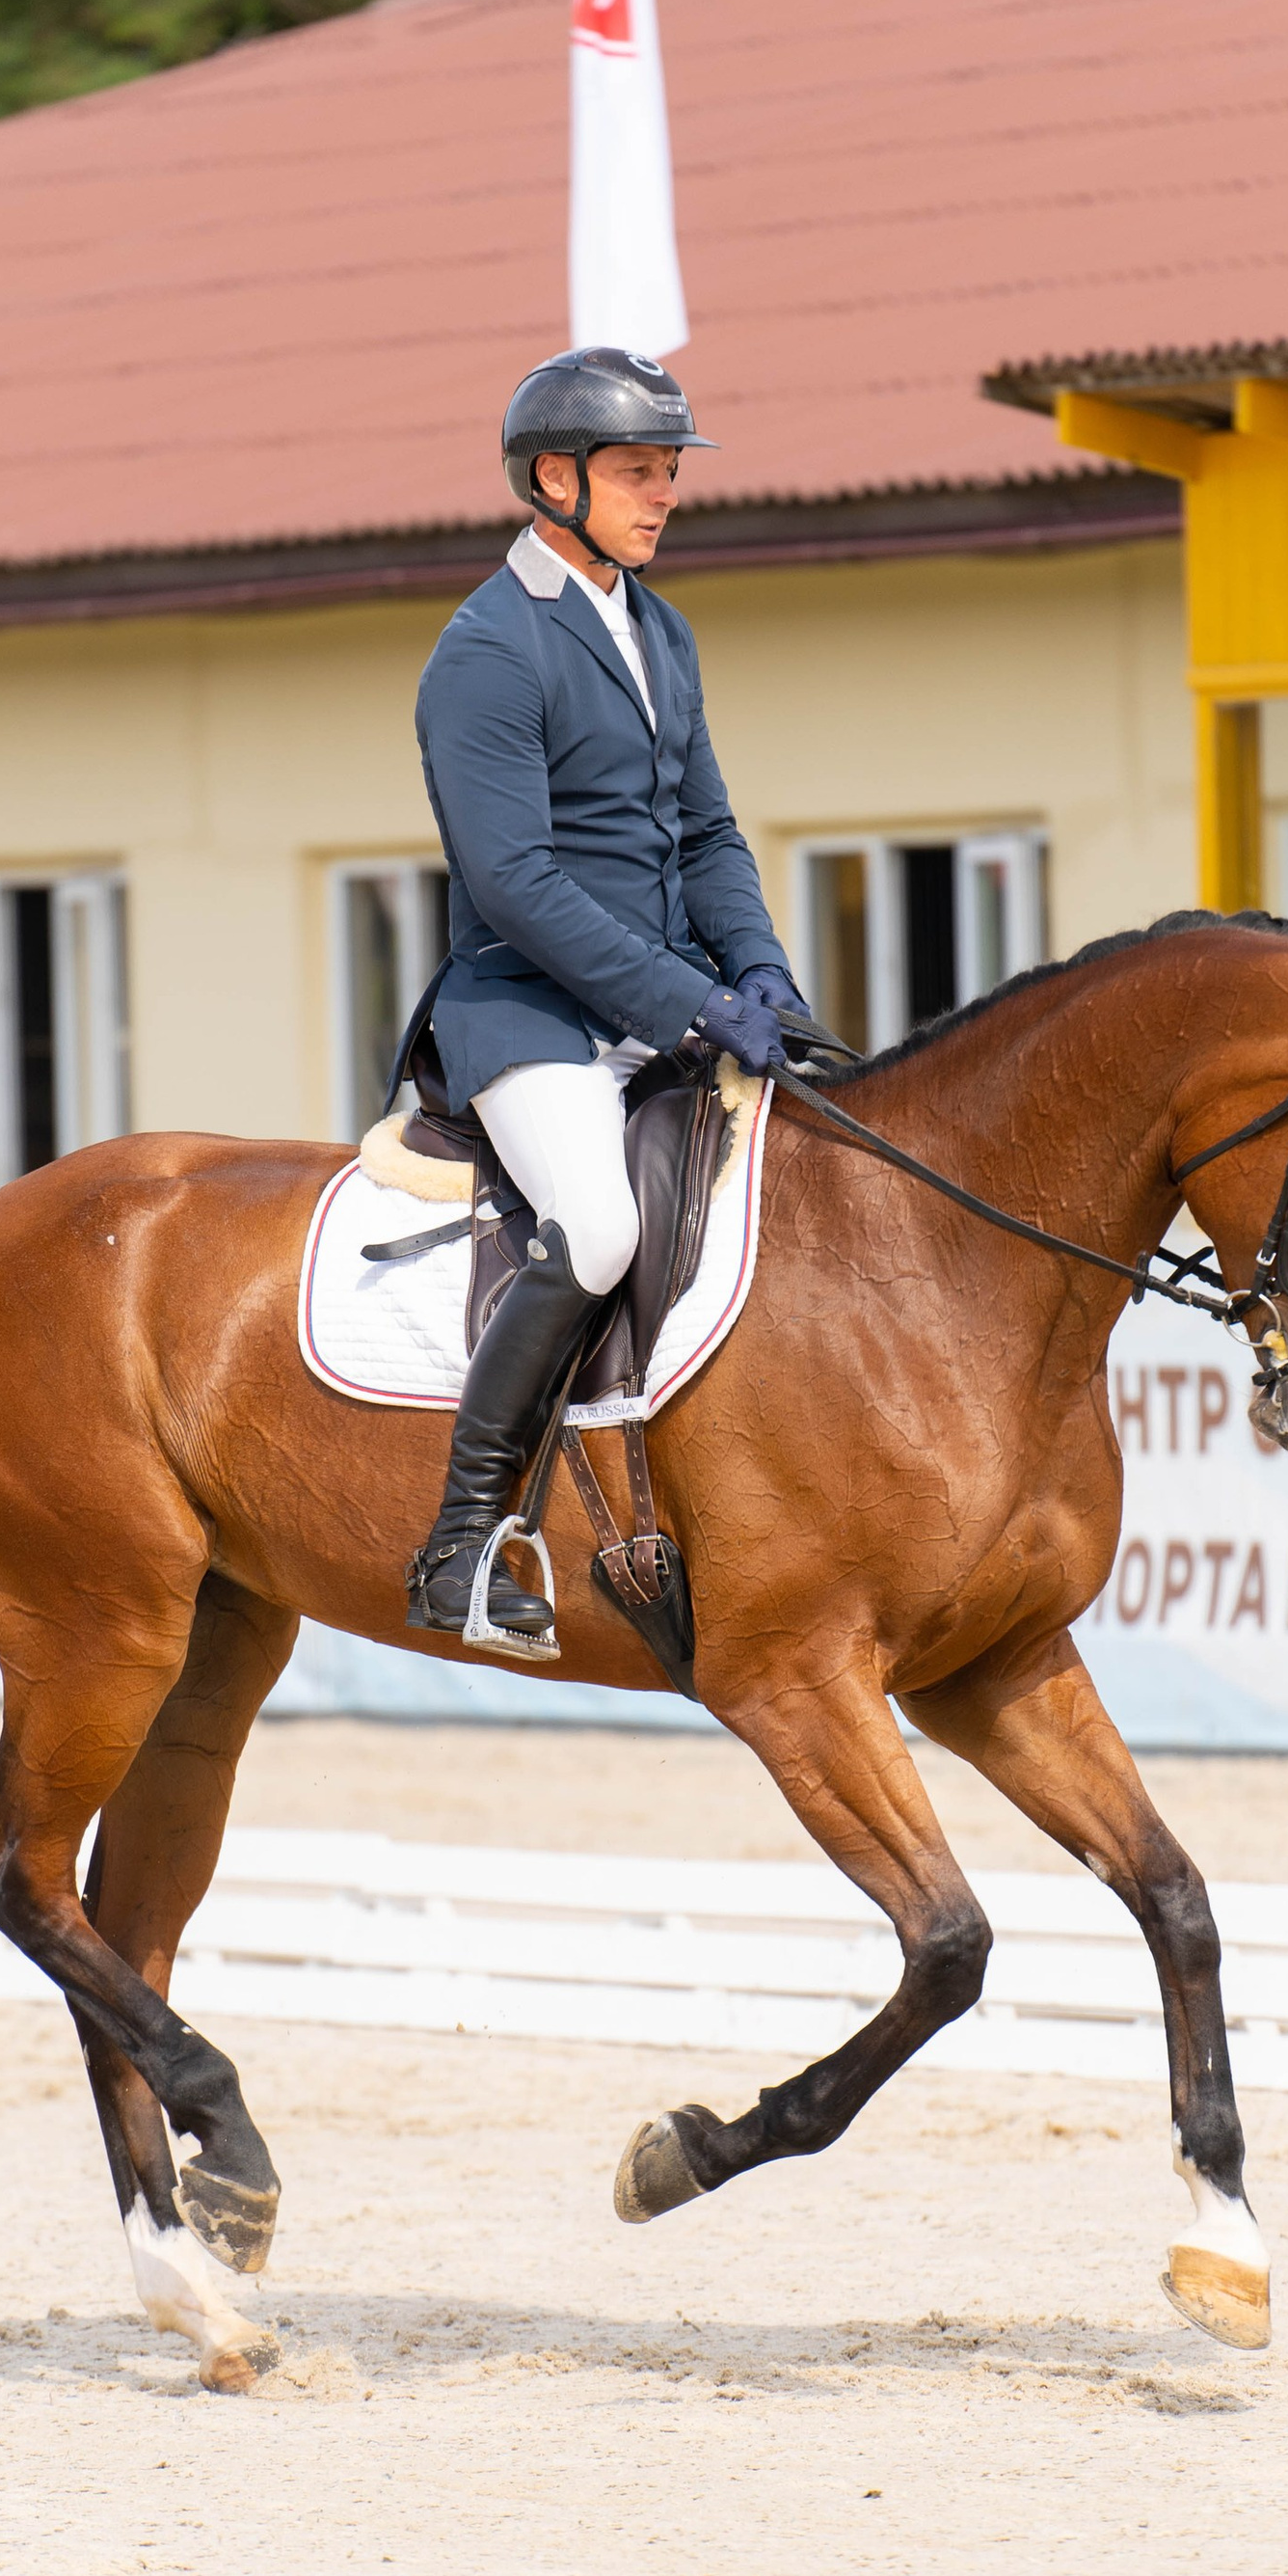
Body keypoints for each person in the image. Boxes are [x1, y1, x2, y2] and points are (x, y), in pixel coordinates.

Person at [402, 346, 801, 1655]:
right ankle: (462, 1544)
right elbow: (512, 882)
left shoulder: (658, 626)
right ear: (552, 479)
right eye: (639, 472)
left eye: (670, 471)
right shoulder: (486, 651)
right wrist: (689, 1004)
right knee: (600, 1227)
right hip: (530, 1016)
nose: (663, 494)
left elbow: (708, 832)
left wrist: (762, 975)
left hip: (666, 1000)